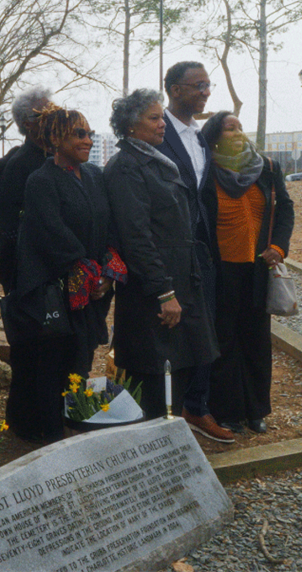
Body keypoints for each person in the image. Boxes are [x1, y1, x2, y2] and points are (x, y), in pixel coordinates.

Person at [5, 104, 125, 443]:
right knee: (51, 371)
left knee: (80, 365)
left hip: (91, 293)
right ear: (56, 138)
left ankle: (75, 430)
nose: (88, 140)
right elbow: (53, 235)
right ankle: (51, 436)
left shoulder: (94, 176)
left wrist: (107, 274)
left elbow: (109, 227)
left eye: (90, 133)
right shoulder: (41, 180)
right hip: (55, 294)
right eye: (79, 134)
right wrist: (88, 275)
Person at [103, 89, 219, 423]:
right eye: (153, 118)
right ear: (130, 125)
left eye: (160, 117)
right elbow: (136, 237)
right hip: (152, 293)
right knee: (153, 380)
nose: (161, 124)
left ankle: (172, 437)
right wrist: (163, 291)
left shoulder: (153, 159)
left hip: (180, 281)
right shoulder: (126, 167)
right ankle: (153, 449)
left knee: (183, 365)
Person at [200, 111, 294, 434]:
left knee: (256, 340)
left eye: (240, 127)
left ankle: (256, 411)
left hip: (257, 268)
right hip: (221, 269)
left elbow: (286, 210)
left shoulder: (266, 168)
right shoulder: (206, 171)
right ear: (214, 136)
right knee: (224, 341)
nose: (238, 134)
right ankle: (226, 411)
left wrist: (279, 247)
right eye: (229, 129)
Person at [155, 62, 234, 443]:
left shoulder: (201, 136)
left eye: (208, 85)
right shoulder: (156, 131)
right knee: (175, 332)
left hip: (203, 250)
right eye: (198, 85)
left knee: (207, 328)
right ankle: (167, 414)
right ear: (173, 89)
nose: (205, 92)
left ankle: (197, 407)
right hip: (169, 253)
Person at [0, 87, 55, 296]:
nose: (53, 119)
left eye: (55, 111)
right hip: (31, 277)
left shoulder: (59, 156)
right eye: (44, 114)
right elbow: (10, 225)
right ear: (28, 123)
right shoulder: (19, 164)